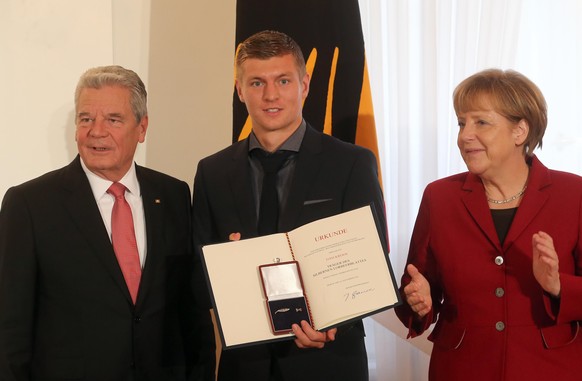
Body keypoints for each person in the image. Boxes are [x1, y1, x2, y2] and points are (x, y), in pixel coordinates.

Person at [191, 30, 388, 381]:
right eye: (256, 83)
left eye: (283, 80)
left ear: (305, 84)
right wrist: (227, 267)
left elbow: (371, 264)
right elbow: (198, 271)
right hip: (245, 367)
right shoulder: (212, 171)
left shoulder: (352, 163)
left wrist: (333, 325)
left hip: (329, 362)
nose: (270, 95)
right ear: (239, 90)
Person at [0, 65, 215, 381]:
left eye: (113, 120)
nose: (96, 131)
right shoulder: (30, 205)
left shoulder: (173, 195)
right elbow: (9, 330)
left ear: (142, 129)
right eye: (86, 119)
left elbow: (190, 312)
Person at [395, 68, 582, 380]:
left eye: (481, 122)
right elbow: (416, 288)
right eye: (461, 123)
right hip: (461, 369)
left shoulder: (573, 193)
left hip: (551, 369)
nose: (465, 135)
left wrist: (558, 286)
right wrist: (418, 302)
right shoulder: (440, 197)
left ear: (520, 131)